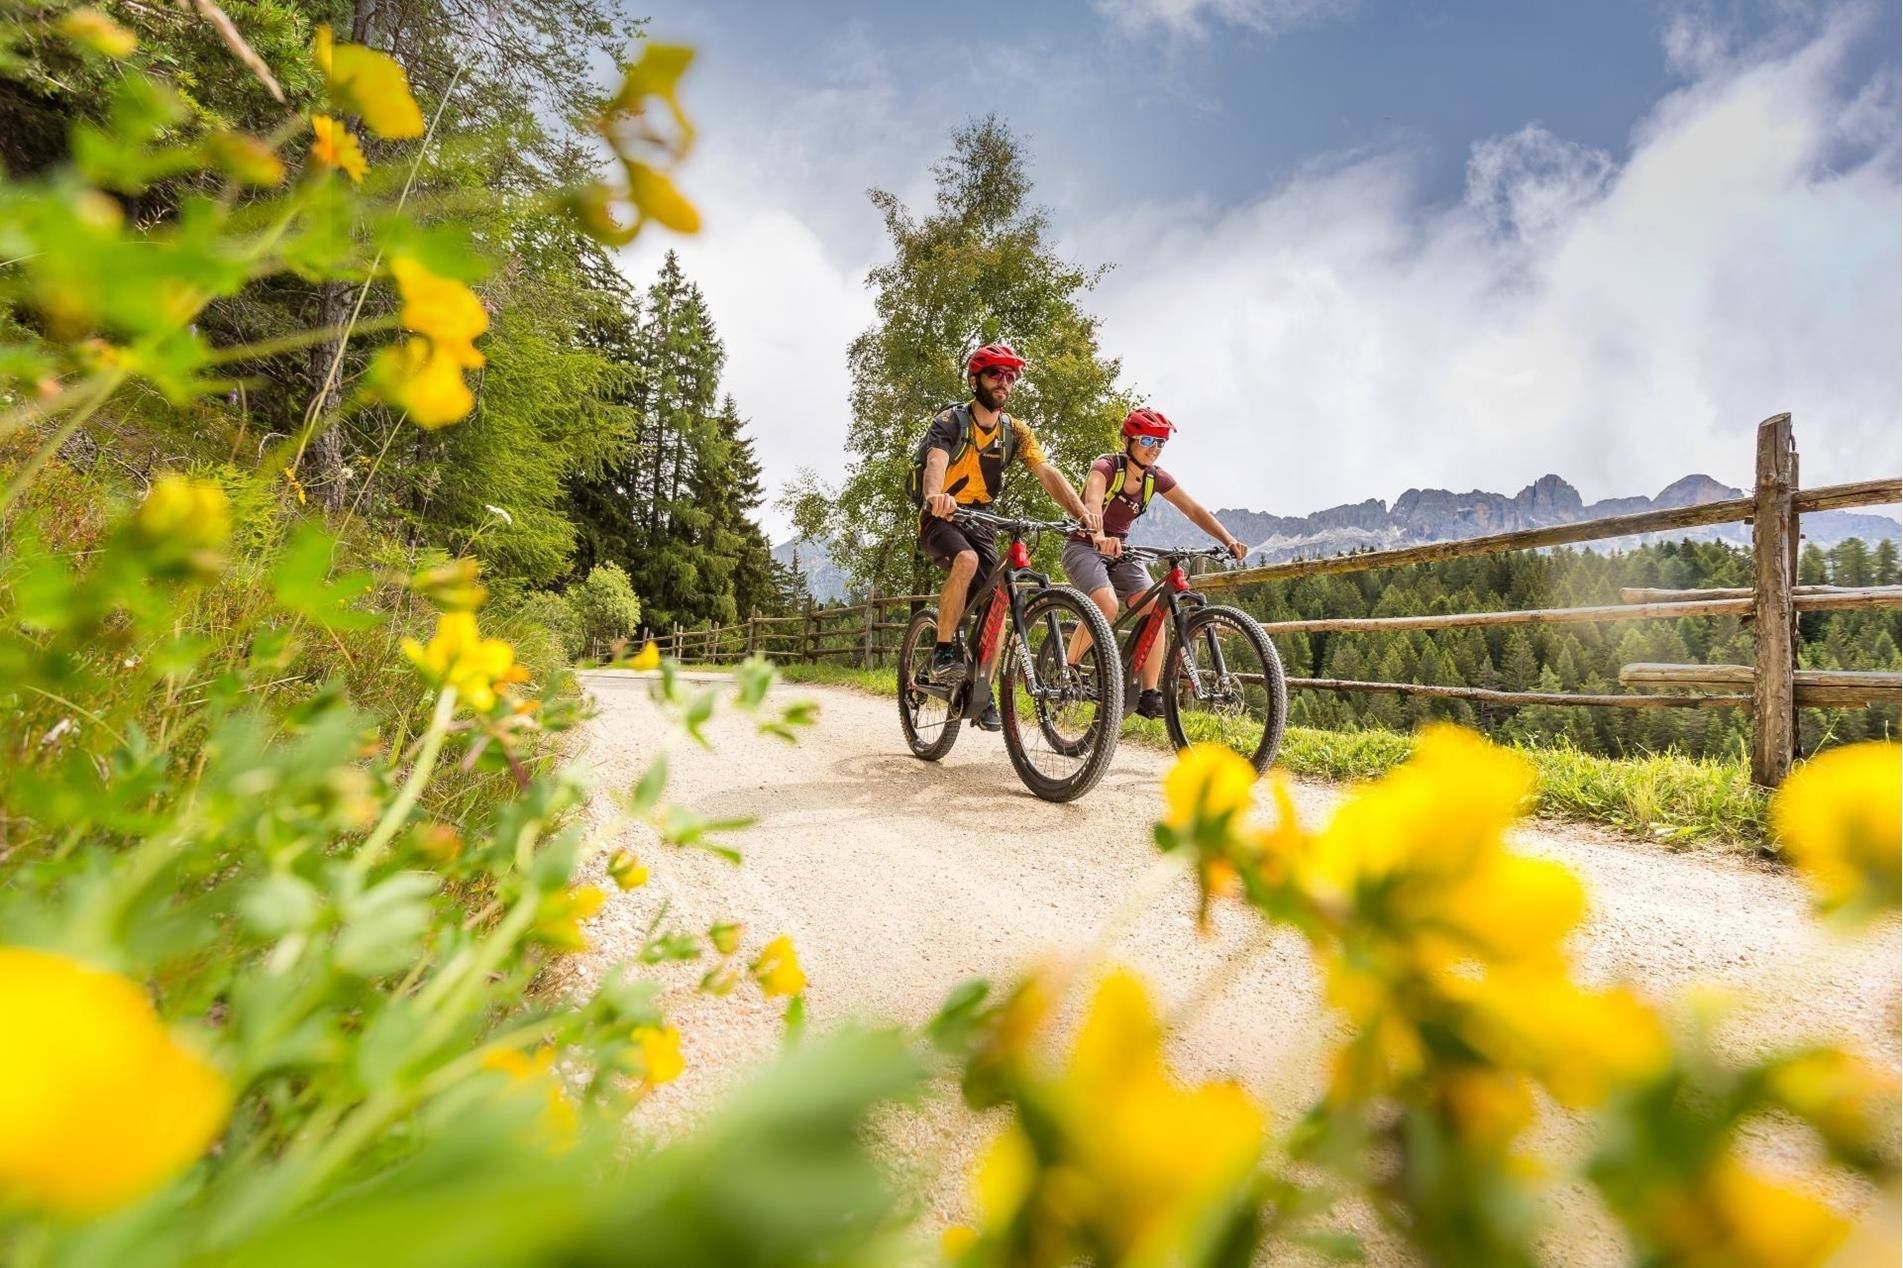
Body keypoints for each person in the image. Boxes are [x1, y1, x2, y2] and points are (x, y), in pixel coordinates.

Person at [918, 343, 1099, 731]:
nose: (1005, 382)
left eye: (1011, 376)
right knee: (965, 561)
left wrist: (1081, 513)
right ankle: (943, 651)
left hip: (980, 519)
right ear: (975, 379)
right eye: (995, 374)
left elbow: (1046, 470)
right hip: (941, 516)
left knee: (999, 602)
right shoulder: (951, 421)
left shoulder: (1014, 431)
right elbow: (936, 461)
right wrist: (936, 496)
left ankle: (981, 687)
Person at [1061, 408, 1248, 718]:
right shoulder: (1106, 467)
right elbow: (1092, 502)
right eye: (1148, 439)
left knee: (1154, 609)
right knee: (1106, 605)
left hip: (1122, 551)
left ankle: (1149, 692)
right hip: (1084, 545)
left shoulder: (1154, 478)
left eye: (1161, 442)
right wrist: (1098, 534)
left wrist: (1227, 539)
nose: (1155, 448)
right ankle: (1069, 670)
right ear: (1128, 440)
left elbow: (1192, 508)